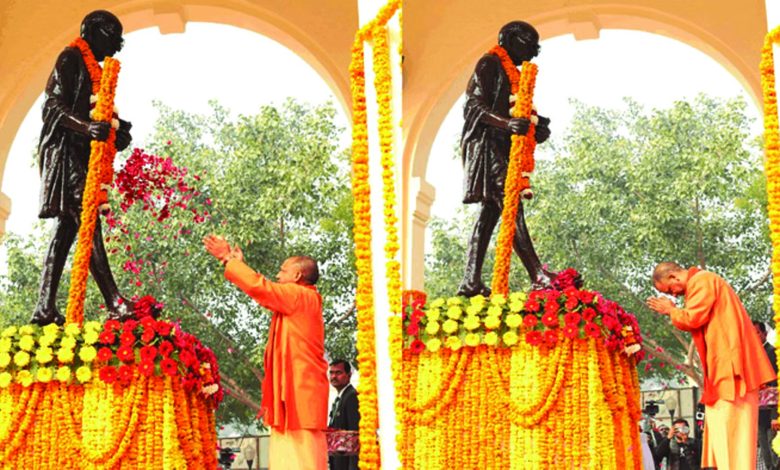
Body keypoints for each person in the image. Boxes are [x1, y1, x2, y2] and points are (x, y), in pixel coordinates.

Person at [32, 10, 134, 326]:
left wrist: (117, 132)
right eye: (112, 37)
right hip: (65, 154)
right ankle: (115, 301)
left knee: (67, 229)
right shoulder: (70, 58)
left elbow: (98, 117)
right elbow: (52, 106)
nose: (116, 47)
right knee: (87, 217)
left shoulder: (97, 72)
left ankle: (44, 308)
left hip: (83, 155)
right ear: (91, 31)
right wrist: (87, 127)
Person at [204, 234, 328, 470]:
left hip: (299, 390)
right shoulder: (300, 299)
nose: (278, 275)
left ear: (297, 276)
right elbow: (265, 289)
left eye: (282, 271)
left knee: (302, 458)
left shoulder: (300, 295)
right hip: (294, 391)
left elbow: (260, 287)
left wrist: (228, 259)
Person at [646, 262, 777, 470]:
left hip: (731, 369)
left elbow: (692, 318)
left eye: (670, 290)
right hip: (722, 369)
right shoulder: (702, 281)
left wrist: (671, 310)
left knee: (733, 432)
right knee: (721, 430)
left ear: (673, 277)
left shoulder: (702, 280)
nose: (674, 295)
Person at [457, 20, 554, 297]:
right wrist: (506, 123)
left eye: (537, 48)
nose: (534, 53)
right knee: (510, 203)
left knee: (490, 213)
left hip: (504, 147)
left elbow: (516, 113)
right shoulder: (490, 63)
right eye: (530, 45)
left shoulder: (515, 75)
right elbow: (473, 106)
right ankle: (537, 274)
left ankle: (470, 281)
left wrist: (536, 127)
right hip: (487, 147)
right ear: (510, 39)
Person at [754, 320, 779, 469]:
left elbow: (776, 384)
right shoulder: (750, 356)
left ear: (764, 333)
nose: (754, 336)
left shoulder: (772, 353)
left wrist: (775, 414)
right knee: (764, 448)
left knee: (773, 445)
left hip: (771, 410)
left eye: (757, 332)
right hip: (757, 410)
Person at [328, 359, 359, 470]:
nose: (334, 377)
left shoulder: (351, 397)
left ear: (349, 375)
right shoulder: (340, 397)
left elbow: (354, 436)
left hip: (346, 464)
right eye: (331, 373)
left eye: (338, 373)